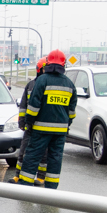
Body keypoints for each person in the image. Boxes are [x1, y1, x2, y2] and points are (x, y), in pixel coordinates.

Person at [19, 49, 77, 189]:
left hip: (40, 129)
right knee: (55, 159)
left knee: (32, 157)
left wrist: (29, 123)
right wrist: (66, 124)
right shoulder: (69, 84)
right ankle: (51, 189)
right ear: (63, 64)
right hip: (60, 131)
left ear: (47, 64)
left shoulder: (41, 80)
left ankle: (24, 186)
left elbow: (33, 106)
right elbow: (72, 111)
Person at [9, 57, 49, 184]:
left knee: (43, 153)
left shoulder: (49, 84)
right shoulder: (30, 85)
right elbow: (24, 105)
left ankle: (41, 177)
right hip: (30, 125)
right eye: (44, 68)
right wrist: (22, 121)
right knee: (23, 150)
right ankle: (18, 175)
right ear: (39, 69)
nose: (46, 71)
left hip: (43, 125)